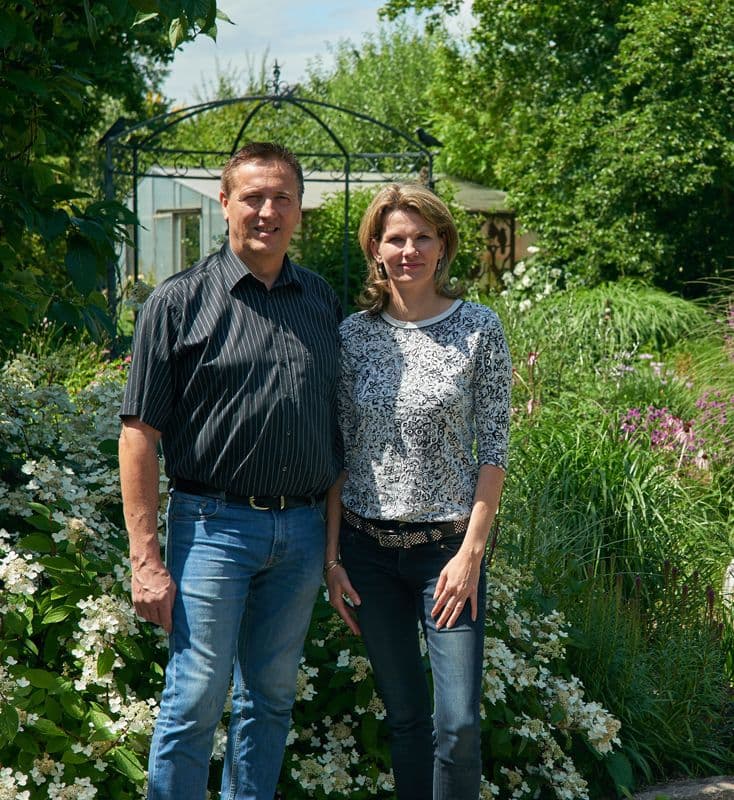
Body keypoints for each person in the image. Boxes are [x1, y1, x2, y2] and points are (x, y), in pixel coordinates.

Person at [118, 142, 342, 800]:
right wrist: (145, 558)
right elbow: (138, 435)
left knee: (268, 700)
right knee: (193, 699)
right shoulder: (178, 303)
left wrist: (334, 548)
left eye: (282, 198)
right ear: (224, 203)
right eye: (253, 197)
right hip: (212, 527)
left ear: (299, 209)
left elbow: (340, 428)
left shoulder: (321, 302)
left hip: (301, 531)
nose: (267, 211)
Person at [325, 183, 512, 800]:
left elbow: (494, 451)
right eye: (395, 239)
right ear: (375, 250)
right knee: (405, 719)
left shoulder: (478, 328)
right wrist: (332, 560)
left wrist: (470, 555)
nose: (409, 250)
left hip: (446, 556)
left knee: (457, 725)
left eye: (423, 237)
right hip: (368, 556)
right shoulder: (352, 336)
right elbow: (340, 455)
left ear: (443, 246)